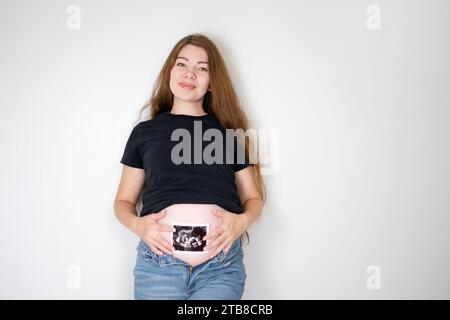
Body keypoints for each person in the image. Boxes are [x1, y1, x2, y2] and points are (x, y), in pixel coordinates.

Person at [113, 33, 266, 300]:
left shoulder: (227, 135)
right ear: (170, 71)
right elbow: (122, 202)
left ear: (211, 83)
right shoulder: (145, 133)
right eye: (182, 64)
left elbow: (253, 198)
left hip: (220, 269)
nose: (190, 74)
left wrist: (241, 221)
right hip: (158, 268)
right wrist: (138, 226)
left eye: (202, 68)